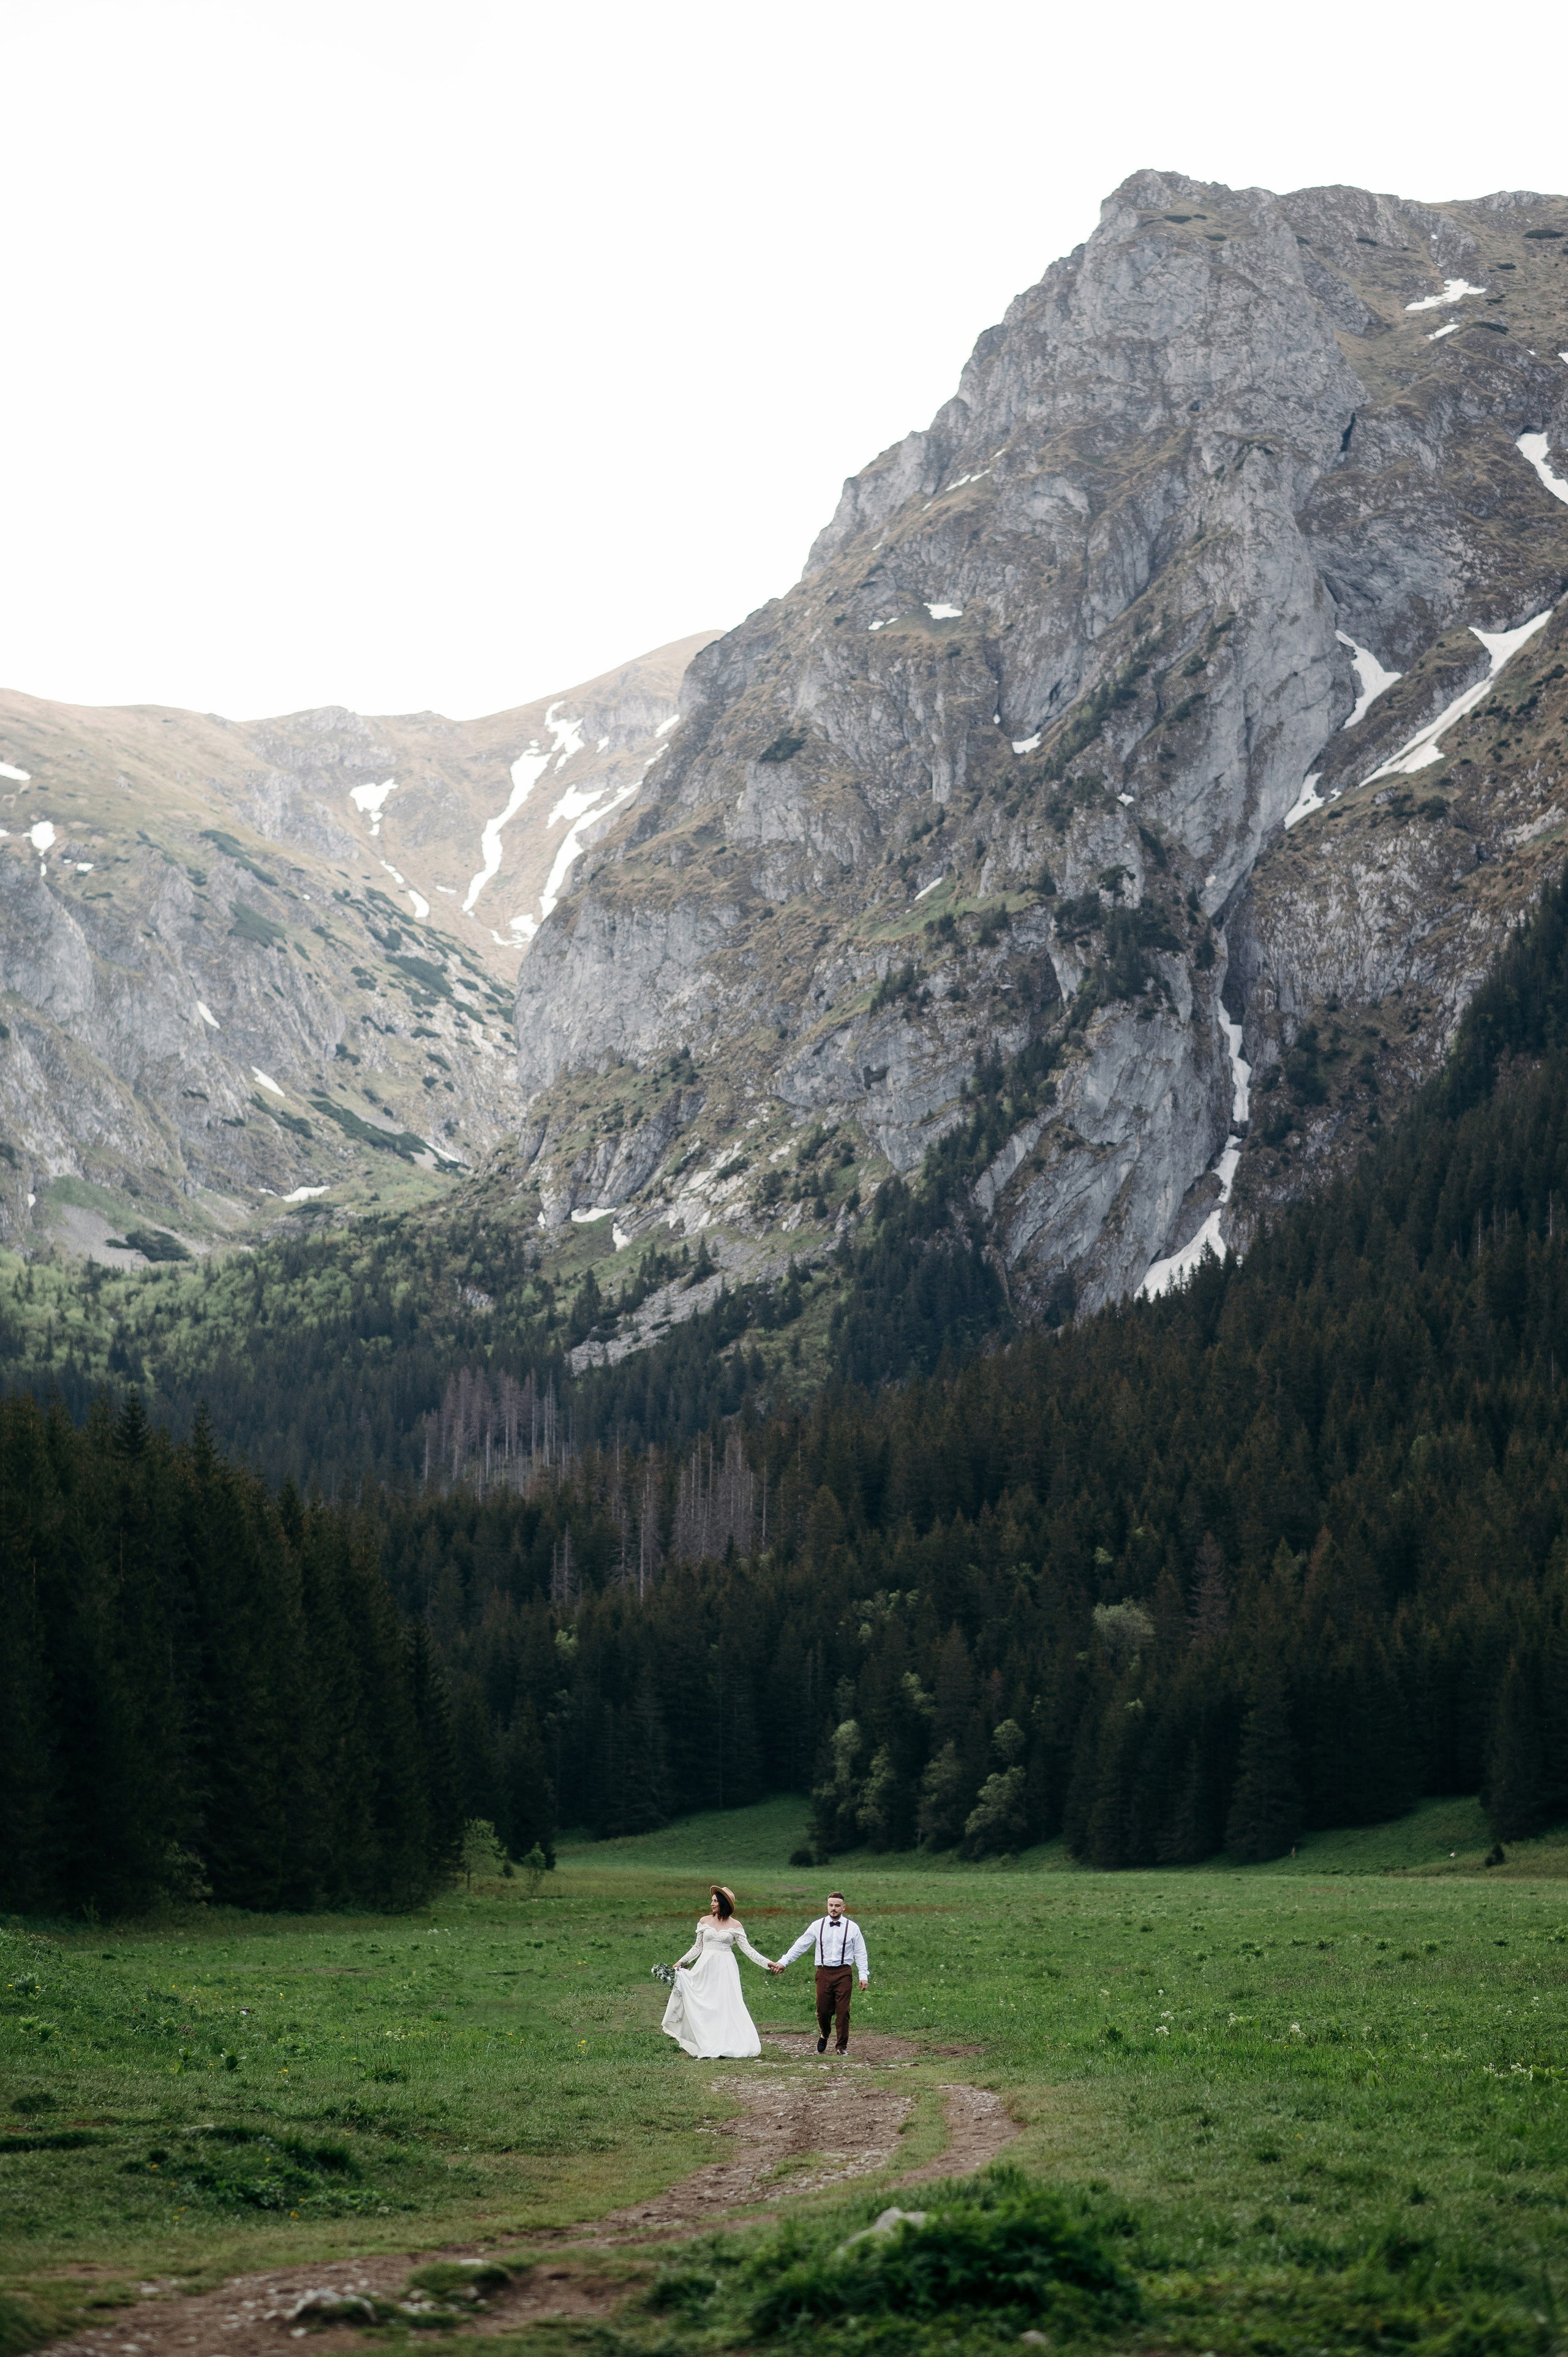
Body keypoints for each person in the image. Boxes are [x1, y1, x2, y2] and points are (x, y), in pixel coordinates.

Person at [660, 1884, 777, 2059]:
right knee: (706, 2003)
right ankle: (707, 2042)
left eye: (715, 1901)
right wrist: (681, 1961)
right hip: (705, 1967)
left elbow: (749, 1950)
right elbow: (697, 1946)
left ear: (723, 1903)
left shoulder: (735, 1925)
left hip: (725, 1968)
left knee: (724, 2003)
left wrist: (768, 1963)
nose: (712, 1903)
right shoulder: (704, 1921)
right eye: (712, 1900)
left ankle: (727, 2043)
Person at [771, 1890, 869, 2054]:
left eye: (837, 1906)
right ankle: (825, 2033)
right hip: (823, 1972)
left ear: (844, 1908)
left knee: (843, 2011)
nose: (834, 1909)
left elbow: (860, 1952)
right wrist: (784, 1962)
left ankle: (841, 2046)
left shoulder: (853, 1928)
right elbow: (801, 1944)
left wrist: (863, 1976)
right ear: (827, 1906)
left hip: (844, 1972)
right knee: (823, 2010)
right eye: (831, 1905)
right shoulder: (818, 1925)